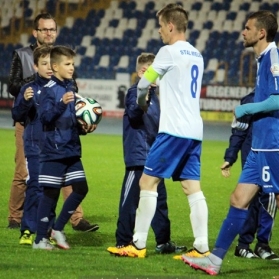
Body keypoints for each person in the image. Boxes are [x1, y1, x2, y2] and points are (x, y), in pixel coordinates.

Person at [183, 10, 279, 276]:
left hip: (273, 145)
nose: (243, 32)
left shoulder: (273, 56)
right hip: (259, 147)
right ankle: (214, 261)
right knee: (238, 200)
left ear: (261, 32)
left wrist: (245, 110)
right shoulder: (262, 59)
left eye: (247, 28)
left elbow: (278, 99)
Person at [113, 3, 209, 258]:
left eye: (160, 26)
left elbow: (144, 84)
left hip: (173, 130)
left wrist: (143, 101)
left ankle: (138, 245)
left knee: (147, 182)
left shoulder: (168, 52)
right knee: (192, 187)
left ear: (170, 25)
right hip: (194, 131)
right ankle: (201, 246)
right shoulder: (197, 54)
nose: (158, 32)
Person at [8, 12, 98, 232]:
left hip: (58, 124)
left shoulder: (61, 56)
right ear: (35, 32)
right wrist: (42, 79)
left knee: (66, 170)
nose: (48, 33)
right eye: (44, 29)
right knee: (24, 173)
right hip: (30, 122)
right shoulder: (22, 55)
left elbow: (72, 87)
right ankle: (15, 217)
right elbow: (13, 86)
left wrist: (80, 119)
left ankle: (76, 219)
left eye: (52, 29)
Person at [107, 53, 186, 256]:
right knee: (130, 201)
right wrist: (145, 96)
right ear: (144, 72)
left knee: (159, 202)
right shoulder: (136, 92)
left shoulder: (156, 97)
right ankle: (123, 241)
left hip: (154, 156)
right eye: (156, 70)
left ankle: (163, 241)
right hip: (139, 156)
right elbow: (134, 113)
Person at [33, 45, 96, 250]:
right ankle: (40, 240)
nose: (71, 68)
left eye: (73, 64)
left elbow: (70, 119)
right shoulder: (47, 90)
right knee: (49, 195)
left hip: (71, 149)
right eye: (67, 64)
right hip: (54, 150)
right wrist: (61, 103)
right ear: (55, 67)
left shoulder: (71, 87)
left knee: (81, 188)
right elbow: (44, 118)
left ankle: (58, 228)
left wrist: (84, 128)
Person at [221, 90, 278, 260]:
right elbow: (239, 132)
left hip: (272, 154)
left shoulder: (269, 98)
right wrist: (230, 157)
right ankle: (243, 245)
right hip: (252, 155)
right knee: (249, 201)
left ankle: (262, 245)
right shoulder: (251, 100)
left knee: (270, 200)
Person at [11, 45, 53, 245]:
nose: (49, 67)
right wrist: (25, 102)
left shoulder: (62, 88)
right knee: (35, 185)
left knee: (50, 189)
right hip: (34, 146)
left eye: (51, 63)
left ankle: (46, 231)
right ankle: (27, 229)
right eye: (44, 63)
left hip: (54, 147)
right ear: (35, 66)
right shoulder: (28, 89)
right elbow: (17, 115)